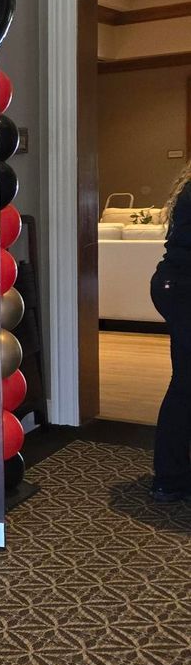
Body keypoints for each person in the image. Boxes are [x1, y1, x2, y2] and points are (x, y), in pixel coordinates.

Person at [151, 162, 191, 500]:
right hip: (181, 287)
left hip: (173, 284)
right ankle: (170, 478)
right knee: (185, 384)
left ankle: (173, 474)